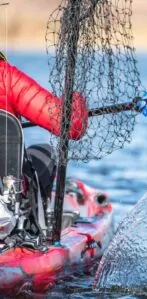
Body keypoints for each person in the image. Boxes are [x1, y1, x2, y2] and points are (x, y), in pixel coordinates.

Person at [0, 51, 88, 243]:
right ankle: (32, 231)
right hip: (6, 207)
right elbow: (72, 125)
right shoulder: (6, 77)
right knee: (44, 153)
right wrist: (74, 99)